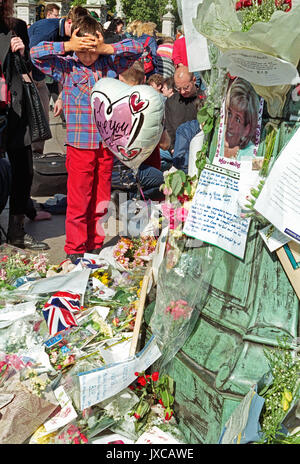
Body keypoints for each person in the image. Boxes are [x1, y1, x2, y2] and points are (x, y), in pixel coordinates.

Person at [30, 15, 144, 263]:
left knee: (101, 196)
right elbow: (35, 53)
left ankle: (95, 244)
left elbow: (138, 47)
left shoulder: (109, 65)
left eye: (92, 50)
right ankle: (75, 248)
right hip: (79, 144)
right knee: (79, 197)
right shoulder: (67, 66)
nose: (89, 56)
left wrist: (107, 48)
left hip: (105, 144)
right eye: (84, 49)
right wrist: (68, 46)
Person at [0, 1, 49, 249]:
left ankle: (17, 230)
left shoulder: (17, 26)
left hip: (16, 108)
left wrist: (22, 54)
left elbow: (31, 70)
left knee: (24, 170)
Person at [28, 6, 89, 154]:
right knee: (33, 124)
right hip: (28, 78)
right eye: (77, 31)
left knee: (43, 126)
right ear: (69, 22)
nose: (78, 35)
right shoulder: (47, 30)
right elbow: (30, 54)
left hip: (40, 79)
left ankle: (38, 158)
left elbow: (69, 67)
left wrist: (61, 97)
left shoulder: (70, 34)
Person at [164, 66, 205, 153]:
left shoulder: (204, 100)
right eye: (178, 88)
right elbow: (168, 127)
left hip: (197, 148)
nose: (182, 92)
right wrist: (172, 148)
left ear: (194, 80)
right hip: (174, 148)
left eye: (186, 87)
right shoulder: (171, 102)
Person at [223, 78, 260, 160]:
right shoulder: (217, 138)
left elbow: (257, 171)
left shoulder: (253, 154)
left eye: (238, 119)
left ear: (247, 128)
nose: (230, 123)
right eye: (229, 113)